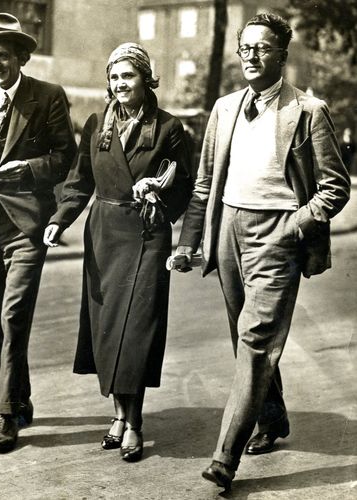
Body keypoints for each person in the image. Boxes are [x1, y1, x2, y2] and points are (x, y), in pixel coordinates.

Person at [172, 13, 350, 491]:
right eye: (244, 47)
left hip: (279, 234)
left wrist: (291, 228)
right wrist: (189, 241)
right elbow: (205, 183)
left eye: (263, 48)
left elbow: (335, 188)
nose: (251, 55)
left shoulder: (308, 110)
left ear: (282, 55)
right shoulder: (224, 108)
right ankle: (272, 419)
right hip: (229, 226)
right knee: (242, 336)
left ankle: (224, 458)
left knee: (254, 342)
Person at [44, 42, 192, 462]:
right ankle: (118, 416)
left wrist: (159, 196)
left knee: (136, 332)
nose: (120, 83)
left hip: (147, 234)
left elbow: (184, 186)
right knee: (108, 329)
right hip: (104, 235)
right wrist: (60, 219)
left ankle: (135, 422)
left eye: (128, 76)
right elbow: (79, 180)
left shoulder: (168, 128)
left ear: (146, 79)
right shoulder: (97, 123)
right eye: (114, 77)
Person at [0, 13, 77, 453]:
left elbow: (66, 157)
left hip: (25, 223)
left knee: (13, 315)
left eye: (2, 55)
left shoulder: (47, 96)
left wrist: (29, 167)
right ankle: (16, 399)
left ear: (22, 56)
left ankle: (5, 417)